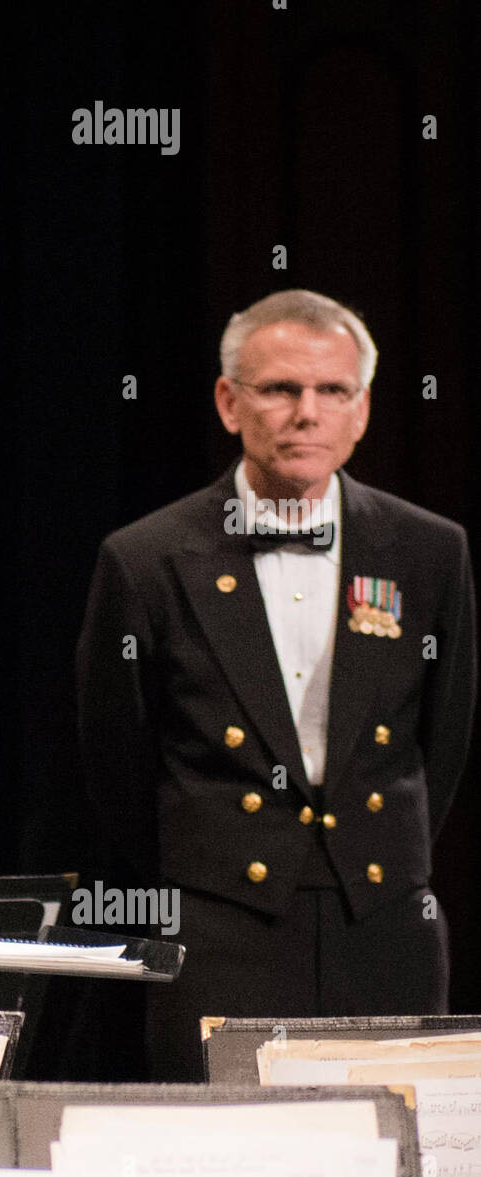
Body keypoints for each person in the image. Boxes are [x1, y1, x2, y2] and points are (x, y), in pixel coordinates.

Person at [77, 289, 476, 1081]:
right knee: (222, 1170)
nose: (308, 412)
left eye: (334, 392)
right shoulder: (146, 558)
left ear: (361, 412)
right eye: (280, 389)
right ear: (230, 403)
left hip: (384, 921)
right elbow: (113, 765)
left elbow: (446, 740)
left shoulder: (430, 551)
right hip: (220, 927)